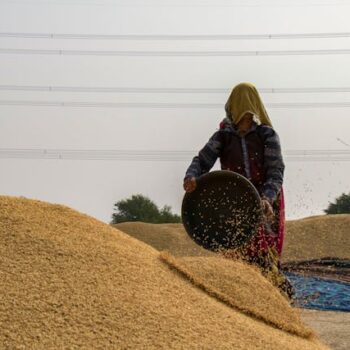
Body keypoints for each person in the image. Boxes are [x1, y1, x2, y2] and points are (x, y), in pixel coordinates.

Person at [183, 82, 293, 298]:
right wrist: (191, 176)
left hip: (265, 203)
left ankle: (280, 299)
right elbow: (202, 160)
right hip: (234, 204)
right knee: (238, 255)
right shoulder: (223, 137)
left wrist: (267, 198)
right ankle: (241, 300)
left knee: (264, 255)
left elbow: (276, 171)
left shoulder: (266, 135)